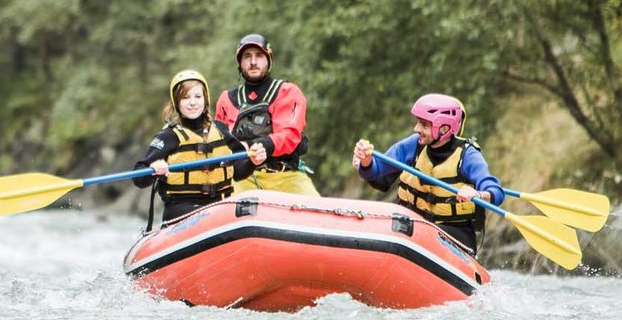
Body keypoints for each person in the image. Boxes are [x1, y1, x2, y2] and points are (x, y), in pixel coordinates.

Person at [353, 93, 505, 254]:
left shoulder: (468, 156)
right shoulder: (413, 145)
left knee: (421, 234)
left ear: (444, 128)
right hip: (414, 225)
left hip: (455, 234)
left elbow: (497, 193)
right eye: (418, 123)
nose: (416, 129)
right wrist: (366, 161)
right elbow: (375, 172)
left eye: (424, 125)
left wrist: (478, 194)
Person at [132, 69, 262, 222]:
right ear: (176, 102)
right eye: (186, 98)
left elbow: (238, 171)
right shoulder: (168, 136)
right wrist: (153, 169)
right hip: (182, 211)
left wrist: (253, 162)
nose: (192, 102)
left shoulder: (221, 130)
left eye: (198, 96)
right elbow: (139, 178)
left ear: (205, 99)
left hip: (220, 205)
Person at [214, 34, 319, 196]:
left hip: (285, 176)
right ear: (240, 63)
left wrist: (257, 146)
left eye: (259, 56)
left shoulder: (288, 92)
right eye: (247, 57)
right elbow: (219, 146)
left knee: (315, 209)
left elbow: (289, 134)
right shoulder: (226, 100)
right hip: (243, 178)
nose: (253, 62)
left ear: (269, 60)